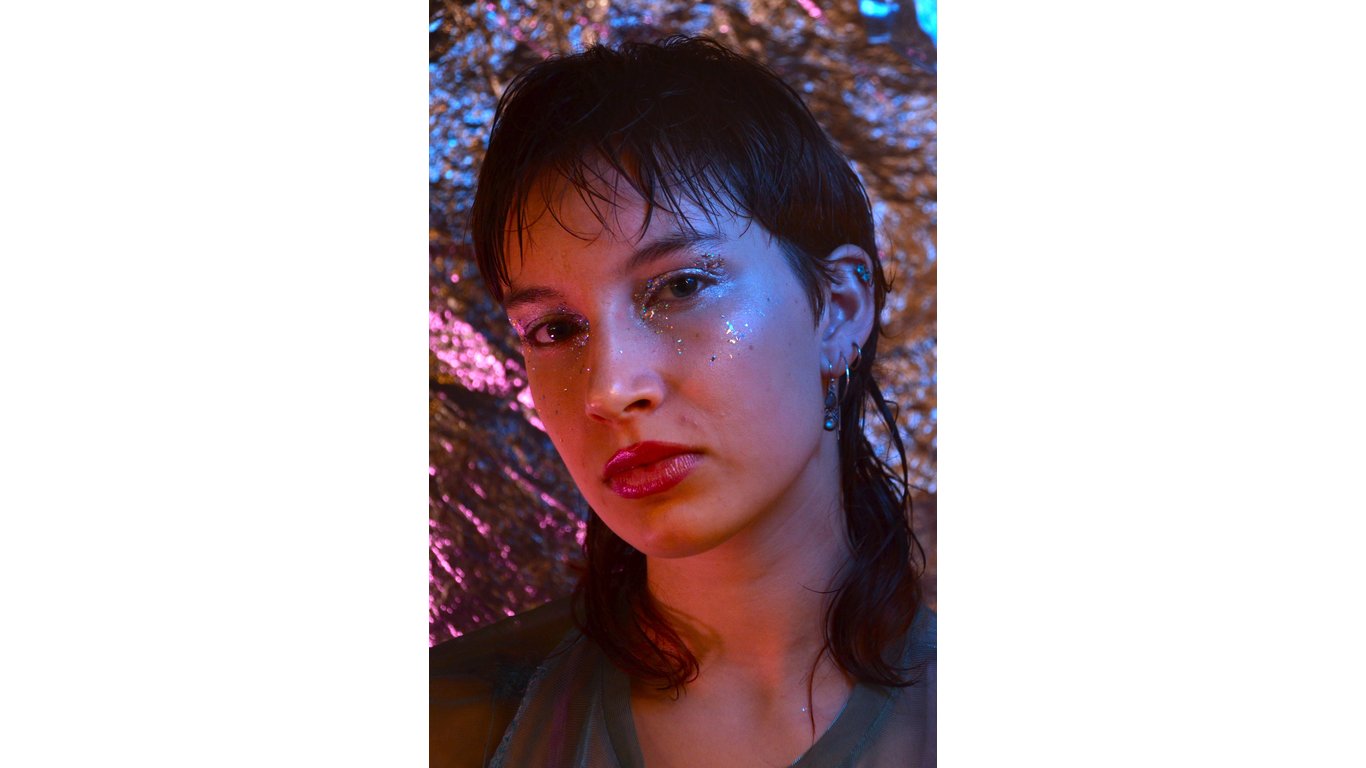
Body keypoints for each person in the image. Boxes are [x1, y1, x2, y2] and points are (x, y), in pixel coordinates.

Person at [430, 35, 934, 767]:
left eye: (681, 286)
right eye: (556, 329)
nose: (611, 388)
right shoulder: (445, 725)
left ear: (839, 309)